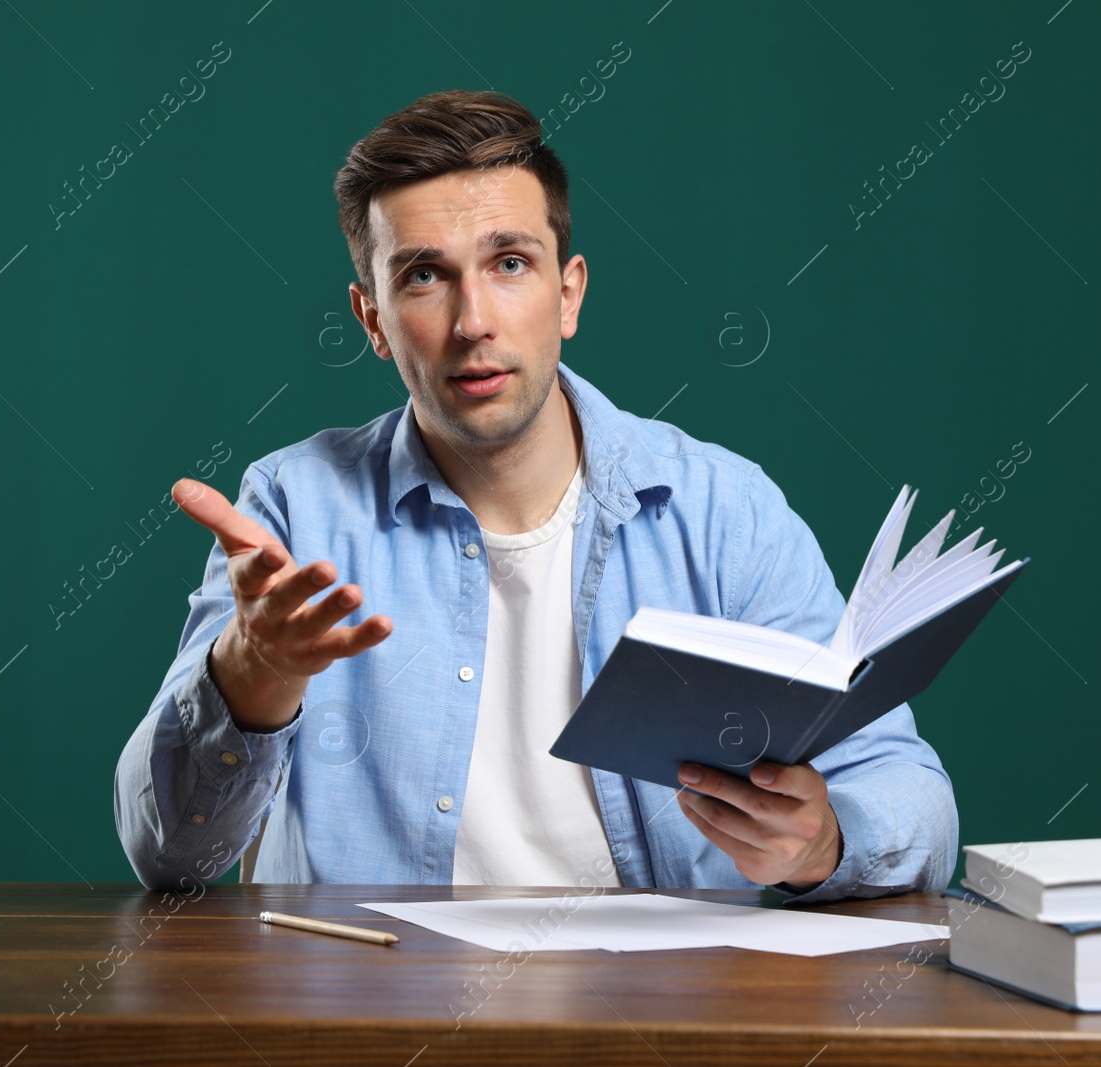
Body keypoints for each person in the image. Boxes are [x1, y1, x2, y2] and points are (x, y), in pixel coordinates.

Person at [114, 89, 958, 898]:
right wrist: (251, 679)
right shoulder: (295, 508)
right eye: (422, 277)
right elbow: (169, 856)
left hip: (661, 1034)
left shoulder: (722, 512)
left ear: (568, 293)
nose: (473, 319)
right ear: (371, 320)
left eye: (509, 262)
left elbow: (913, 798)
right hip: (373, 1020)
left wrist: (824, 841)